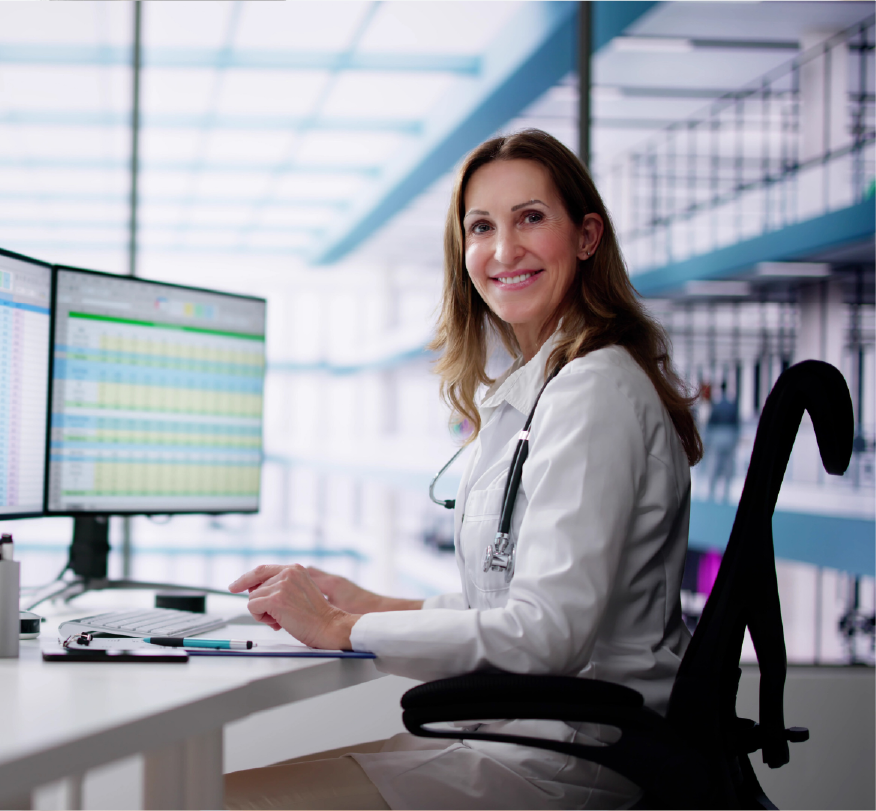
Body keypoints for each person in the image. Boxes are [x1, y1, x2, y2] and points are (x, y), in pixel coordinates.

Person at [223, 129, 704, 810]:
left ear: (586, 236)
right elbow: (507, 603)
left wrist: (340, 629)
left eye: (530, 218)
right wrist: (364, 603)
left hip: (565, 763)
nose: (503, 250)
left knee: (211, 800)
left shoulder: (593, 391)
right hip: (523, 740)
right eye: (481, 226)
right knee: (209, 792)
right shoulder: (547, 388)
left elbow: (545, 633)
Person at [705, 381, 740, 503]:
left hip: (718, 437)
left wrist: (707, 441)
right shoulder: (731, 406)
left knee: (714, 464)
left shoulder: (717, 406)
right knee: (728, 465)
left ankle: (712, 491)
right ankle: (726, 491)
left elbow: (710, 424)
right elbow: (736, 424)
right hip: (729, 436)